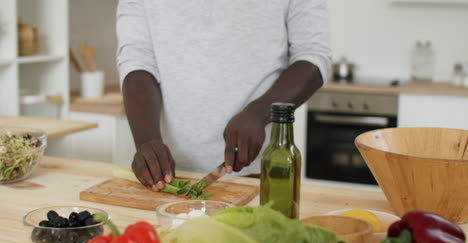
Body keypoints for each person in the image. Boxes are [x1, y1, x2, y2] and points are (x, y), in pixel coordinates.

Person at [117, 0, 331, 192]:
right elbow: (137, 59)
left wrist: (258, 114)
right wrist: (148, 141)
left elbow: (312, 55)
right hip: (167, 177)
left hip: (259, 173)